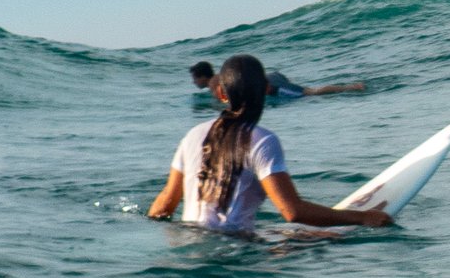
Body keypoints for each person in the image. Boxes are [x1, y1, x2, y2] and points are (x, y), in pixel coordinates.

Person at [150, 54, 390, 233]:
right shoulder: (262, 140)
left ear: (221, 94)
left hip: (190, 241)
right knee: (327, 239)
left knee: (290, 233)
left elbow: (163, 207)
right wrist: (362, 217)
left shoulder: (192, 135)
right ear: (265, 89)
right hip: (234, 252)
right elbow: (292, 211)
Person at [189, 59, 362, 100]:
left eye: (194, 79)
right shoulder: (219, 76)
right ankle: (351, 87)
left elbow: (227, 102)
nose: (194, 82)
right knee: (307, 91)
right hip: (270, 77)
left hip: (268, 84)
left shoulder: (214, 85)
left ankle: (352, 88)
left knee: (310, 93)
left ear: (202, 77)